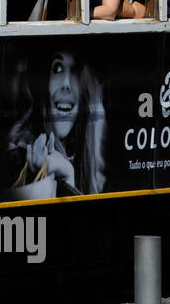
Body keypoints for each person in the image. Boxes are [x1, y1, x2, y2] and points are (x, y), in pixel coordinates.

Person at [7, 50, 106, 198]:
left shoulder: (86, 156)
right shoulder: (20, 154)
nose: (66, 84)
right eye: (57, 69)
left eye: (75, 71)